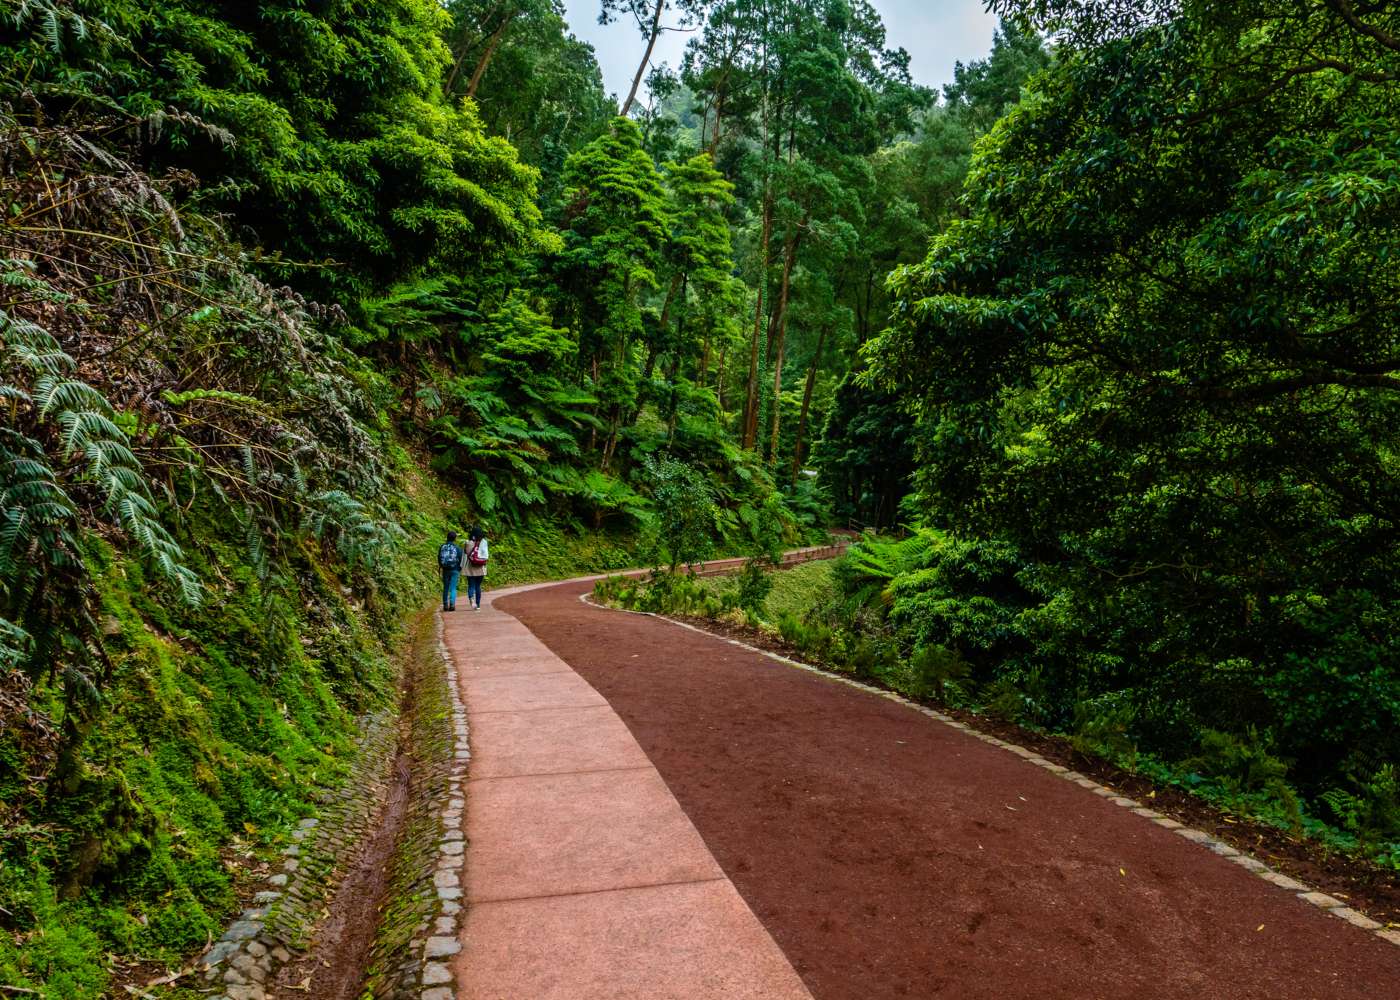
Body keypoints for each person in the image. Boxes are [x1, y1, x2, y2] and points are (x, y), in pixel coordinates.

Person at [463, 525, 489, 611]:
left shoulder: (468, 543)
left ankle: (471, 599)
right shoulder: (483, 543)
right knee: (478, 586)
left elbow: (466, 553)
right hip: (480, 569)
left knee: (471, 585)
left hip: (470, 569)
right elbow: (486, 555)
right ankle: (478, 605)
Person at [438, 530, 464, 612]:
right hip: (455, 570)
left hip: (445, 570)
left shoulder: (442, 546)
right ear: (455, 538)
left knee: (446, 587)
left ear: (447, 537)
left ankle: (445, 605)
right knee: (453, 588)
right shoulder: (457, 548)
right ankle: (452, 604)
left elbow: (439, 557)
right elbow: (461, 560)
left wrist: (442, 566)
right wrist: (459, 569)